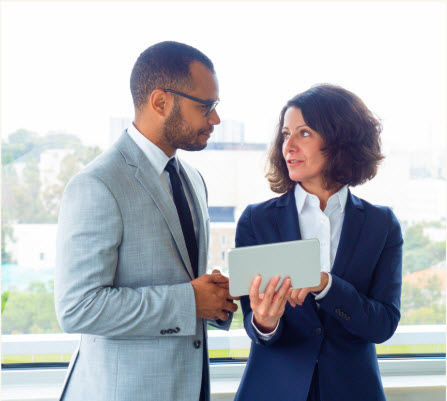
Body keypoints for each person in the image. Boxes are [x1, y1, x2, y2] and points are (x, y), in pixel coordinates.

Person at [54, 41, 238, 401]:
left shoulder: (193, 180)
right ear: (160, 102)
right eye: (206, 106)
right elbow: (78, 308)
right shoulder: (97, 185)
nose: (215, 119)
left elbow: (184, 283)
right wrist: (189, 301)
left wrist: (214, 298)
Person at [234, 84, 402, 401]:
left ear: (341, 140)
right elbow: (252, 323)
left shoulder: (381, 225)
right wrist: (264, 323)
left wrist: (325, 285)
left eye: (304, 133)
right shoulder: (257, 221)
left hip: (354, 392)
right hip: (271, 391)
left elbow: (382, 325)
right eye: (285, 134)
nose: (289, 146)